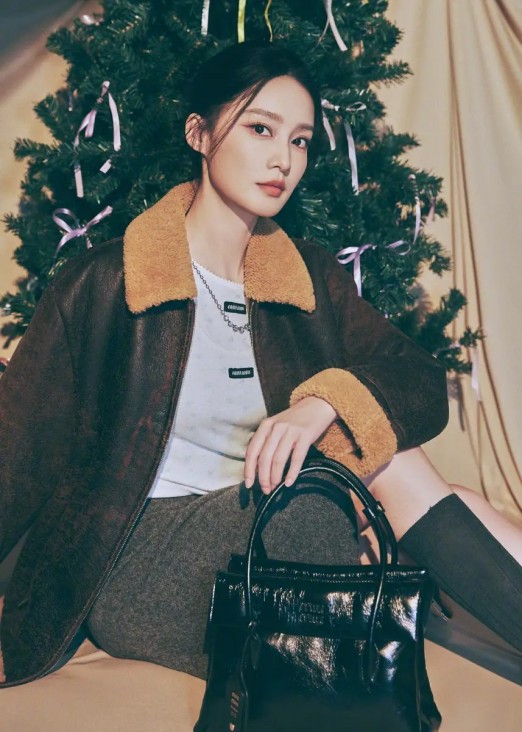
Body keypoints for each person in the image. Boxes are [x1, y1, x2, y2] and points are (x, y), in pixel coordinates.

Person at [0, 41, 520, 689]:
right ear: (199, 133)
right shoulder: (107, 282)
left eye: (300, 140)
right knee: (328, 511)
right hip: (144, 560)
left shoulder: (306, 278)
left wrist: (322, 403)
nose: (284, 160)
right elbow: (16, 454)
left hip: (267, 522)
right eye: (261, 129)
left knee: (397, 473)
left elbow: (419, 382)